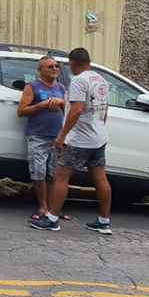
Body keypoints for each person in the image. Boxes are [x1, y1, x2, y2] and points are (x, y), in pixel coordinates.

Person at [29, 47, 113, 234]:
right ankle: (104, 221)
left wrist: (63, 135)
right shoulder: (101, 80)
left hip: (80, 140)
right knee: (100, 178)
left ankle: (52, 219)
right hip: (99, 137)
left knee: (60, 176)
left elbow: (76, 110)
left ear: (73, 63)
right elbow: (104, 110)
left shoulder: (79, 81)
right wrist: (98, 126)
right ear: (89, 61)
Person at [16, 55, 68, 222]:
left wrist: (61, 102)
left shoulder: (61, 88)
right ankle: (43, 207)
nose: (54, 69)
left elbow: (69, 109)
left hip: (57, 137)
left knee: (54, 174)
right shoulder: (32, 86)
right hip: (37, 136)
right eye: (50, 66)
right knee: (39, 172)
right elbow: (21, 111)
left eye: (56, 66)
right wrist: (43, 105)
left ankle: (53, 209)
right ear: (40, 70)